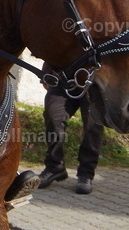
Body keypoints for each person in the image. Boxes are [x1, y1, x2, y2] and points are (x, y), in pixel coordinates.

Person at [36, 61, 104, 195]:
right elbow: (54, 44)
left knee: (93, 126)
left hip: (94, 80)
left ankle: (86, 174)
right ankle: (54, 167)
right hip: (64, 78)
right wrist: (47, 72)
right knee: (53, 115)